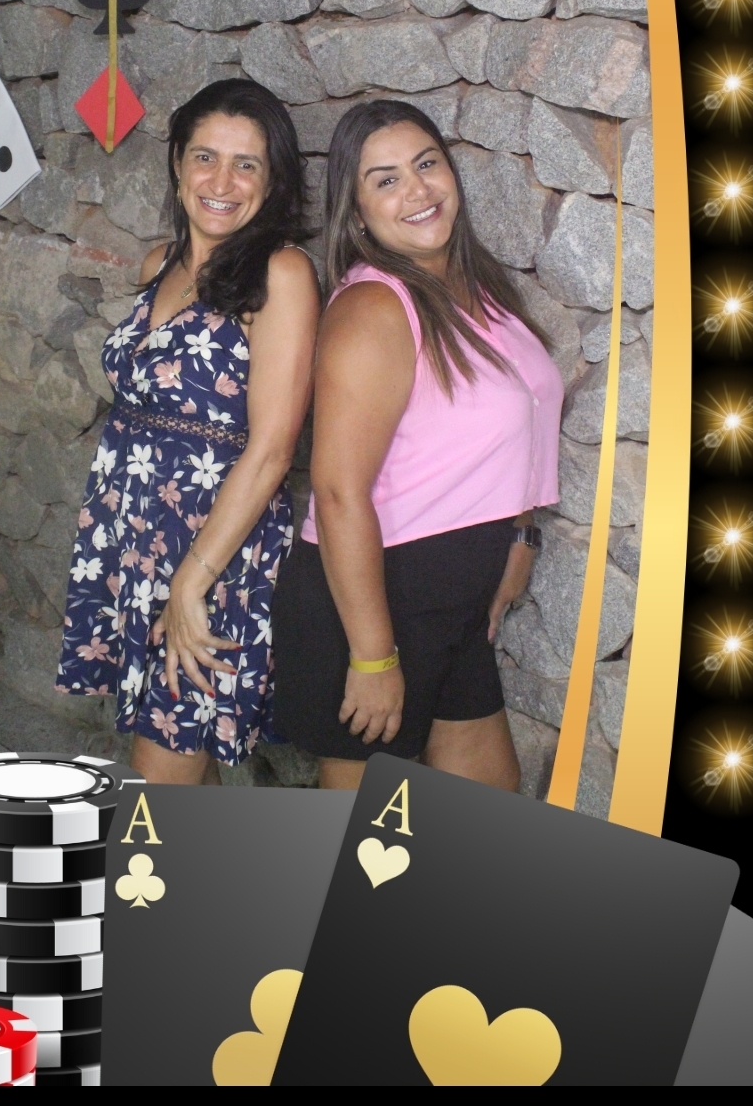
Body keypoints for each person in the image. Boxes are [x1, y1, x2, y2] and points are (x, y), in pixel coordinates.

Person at [272, 100, 563, 791]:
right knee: (363, 839)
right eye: (386, 180)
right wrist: (373, 658)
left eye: (426, 164)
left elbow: (522, 421)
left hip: (453, 596)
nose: (418, 189)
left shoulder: (475, 288)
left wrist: (522, 535)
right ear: (356, 212)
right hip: (376, 599)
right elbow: (337, 491)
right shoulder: (373, 308)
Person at [56, 79, 321, 784]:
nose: (222, 182)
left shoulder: (281, 274)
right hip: (134, 537)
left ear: (273, 180)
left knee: (158, 781)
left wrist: (189, 583)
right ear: (177, 164)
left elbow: (272, 450)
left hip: (213, 552)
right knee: (179, 764)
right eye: (205, 157)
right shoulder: (159, 265)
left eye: (246, 164)